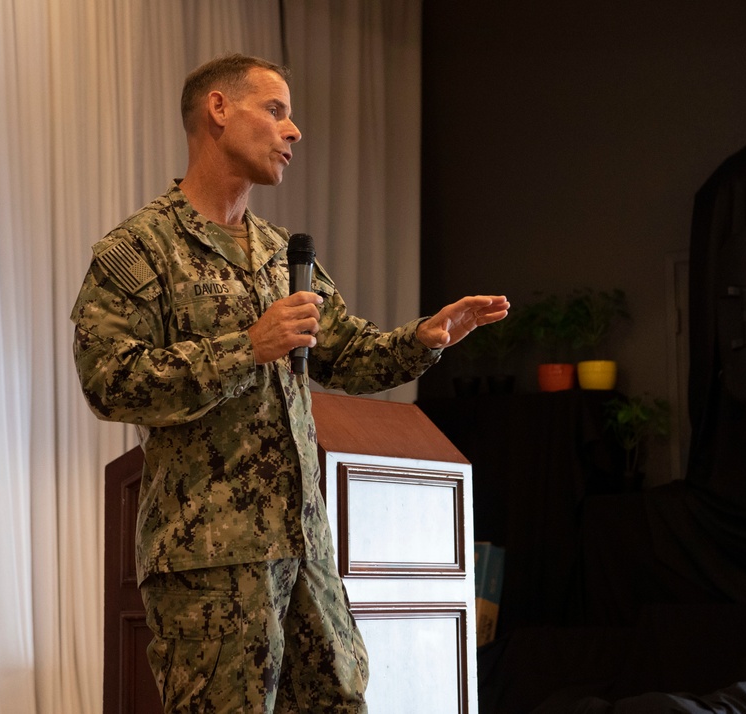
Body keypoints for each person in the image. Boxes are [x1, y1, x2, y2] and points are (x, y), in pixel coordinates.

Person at [71, 52, 509, 713]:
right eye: (276, 110)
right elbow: (111, 382)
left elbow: (347, 354)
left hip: (305, 550)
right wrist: (246, 349)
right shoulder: (141, 251)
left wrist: (424, 339)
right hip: (209, 560)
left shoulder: (281, 255)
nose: (294, 130)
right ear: (219, 110)